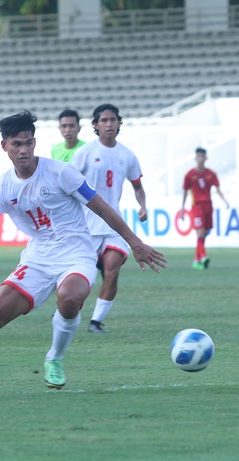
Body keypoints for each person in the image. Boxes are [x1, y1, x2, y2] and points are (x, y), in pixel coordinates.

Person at [0, 110, 166, 396]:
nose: (23, 150)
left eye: (28, 143)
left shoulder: (60, 172)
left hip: (76, 253)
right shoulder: (2, 185)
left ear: (34, 142)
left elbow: (100, 207)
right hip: (38, 257)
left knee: (70, 298)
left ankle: (54, 358)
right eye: (16, 144)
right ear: (4, 147)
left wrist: (134, 241)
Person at [69, 103, 148, 334]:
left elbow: (138, 186)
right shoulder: (84, 153)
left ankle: (95, 322)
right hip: (85, 226)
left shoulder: (127, 155)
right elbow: (68, 184)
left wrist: (142, 205)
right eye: (104, 120)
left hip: (113, 226)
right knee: (83, 279)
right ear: (95, 125)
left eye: (113, 119)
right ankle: (68, 311)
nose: (109, 124)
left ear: (119, 122)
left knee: (112, 270)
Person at [179, 147, 229, 270]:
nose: (200, 159)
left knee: (205, 233)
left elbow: (218, 189)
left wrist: (225, 201)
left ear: (206, 158)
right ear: (196, 158)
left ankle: (196, 261)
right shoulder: (189, 175)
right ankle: (203, 256)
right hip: (197, 206)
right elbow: (185, 192)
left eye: (202, 156)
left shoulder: (211, 174)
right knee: (200, 232)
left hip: (208, 205)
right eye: (199, 156)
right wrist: (182, 209)